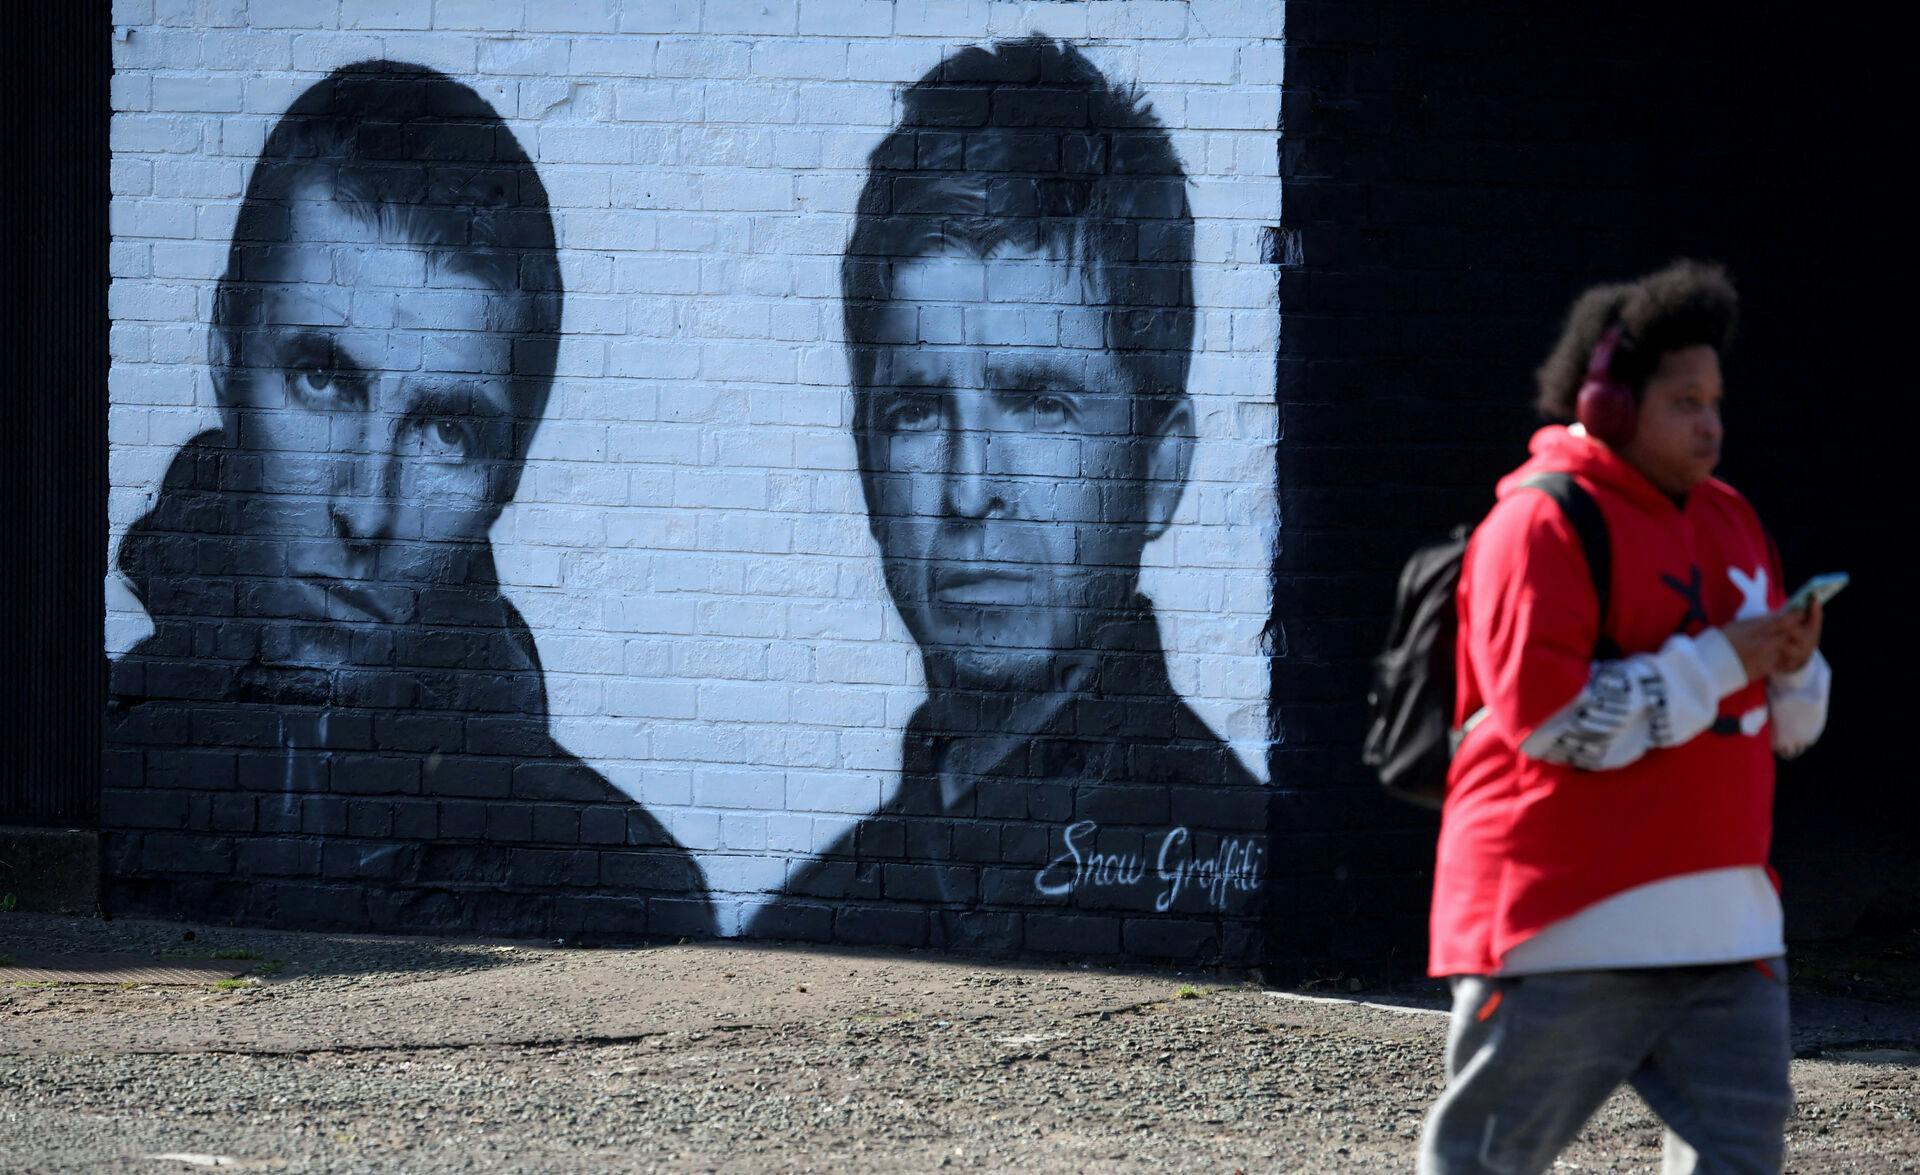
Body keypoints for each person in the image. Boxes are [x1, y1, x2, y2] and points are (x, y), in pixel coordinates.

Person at [106, 61, 712, 940]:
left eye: (445, 433)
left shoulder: (620, 894)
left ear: (505, 476)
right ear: (224, 359)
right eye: (322, 380)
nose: (365, 509)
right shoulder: (74, 793)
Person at [748, 38, 1269, 960]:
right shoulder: (801, 928)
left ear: (1160, 467)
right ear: (864, 454)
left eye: (1040, 403)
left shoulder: (1251, 891)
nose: (968, 488)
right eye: (915, 411)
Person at [1418, 260, 1831, 1173]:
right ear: (1608, 401)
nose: (1712, 422)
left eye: (1716, 398)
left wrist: (1795, 669)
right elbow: (1550, 720)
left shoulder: (1732, 519)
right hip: (1563, 921)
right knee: (1489, 1159)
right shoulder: (1540, 524)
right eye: (1685, 400)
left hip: (1730, 929)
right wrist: (1728, 659)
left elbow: (1789, 729)